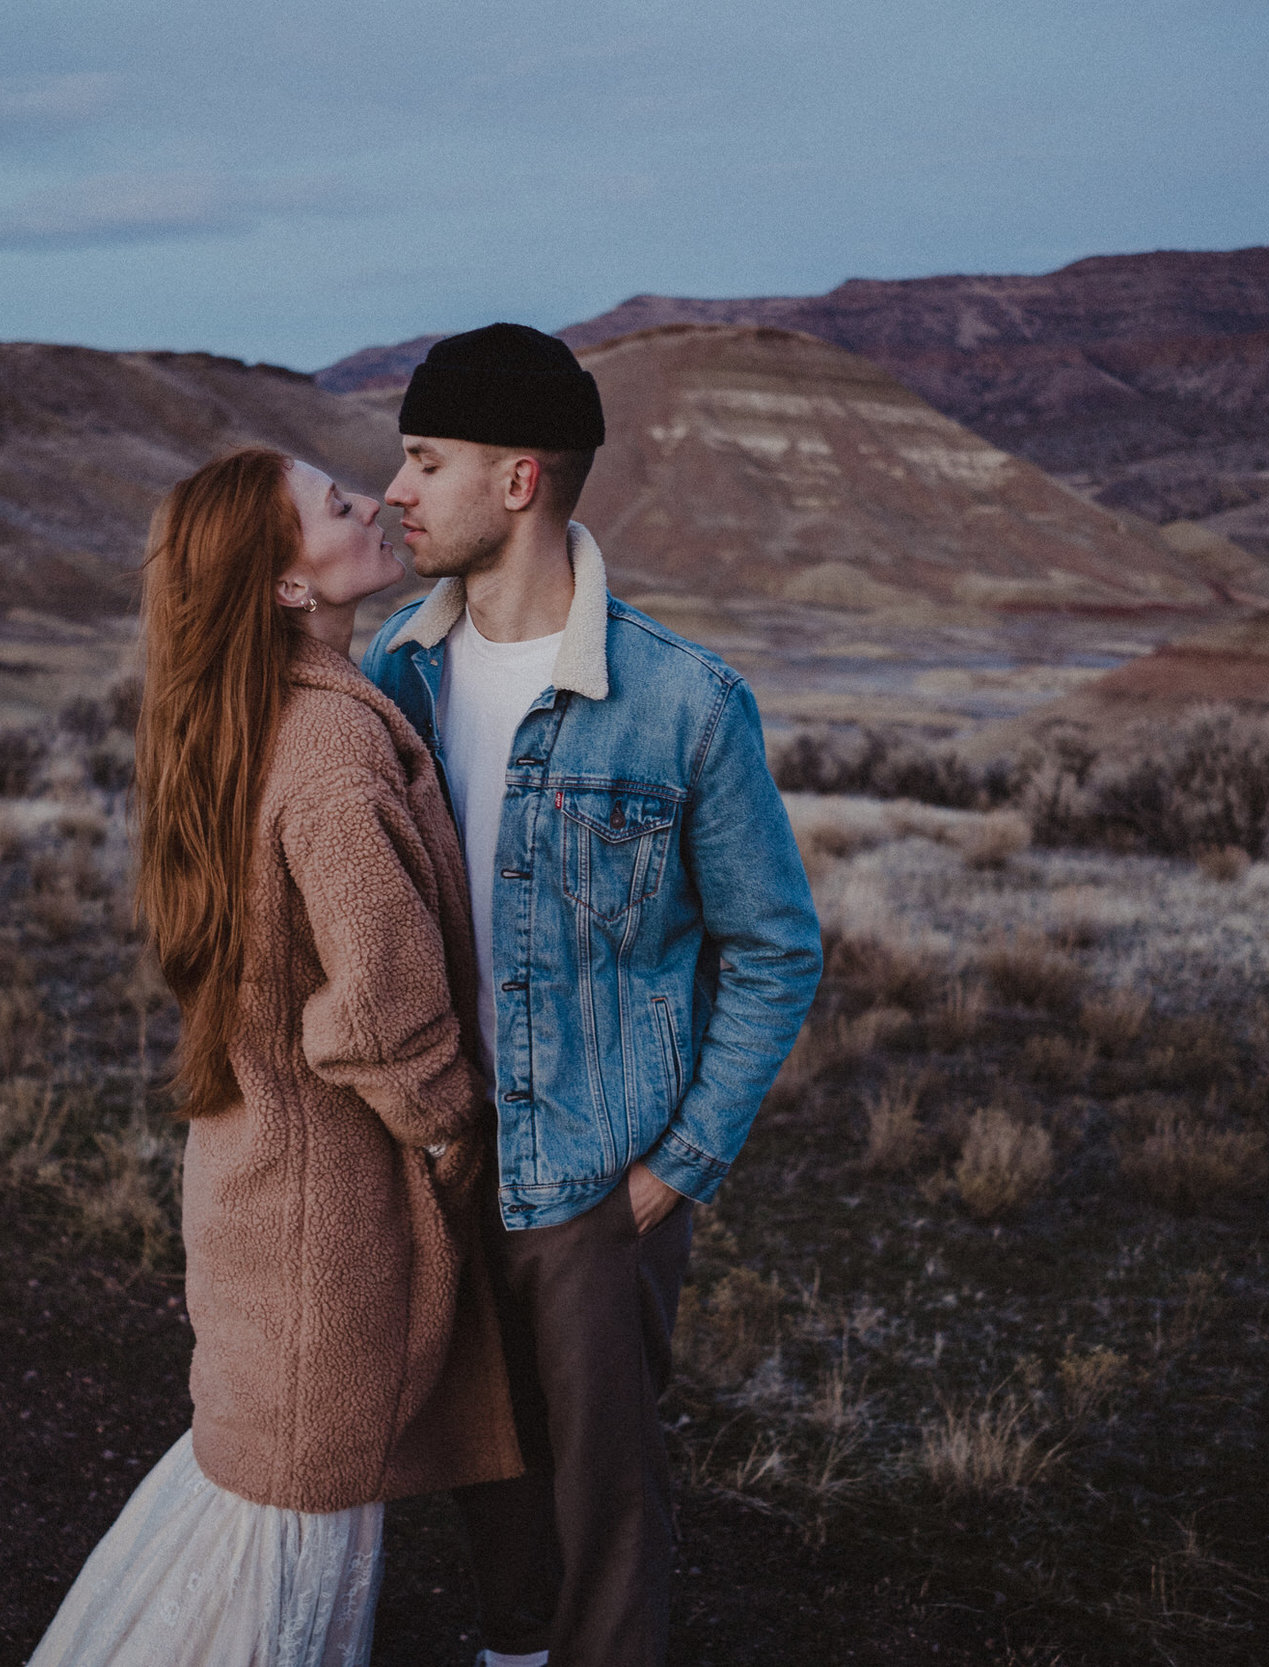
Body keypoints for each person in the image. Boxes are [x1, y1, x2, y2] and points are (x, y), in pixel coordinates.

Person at [361, 325, 824, 1667]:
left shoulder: (682, 701)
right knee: (487, 1481)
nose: (395, 490)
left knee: (604, 1500)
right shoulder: (398, 670)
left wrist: (678, 1165)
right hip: (449, 1152)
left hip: (600, 1165)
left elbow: (775, 946)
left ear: (518, 480)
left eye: (423, 460)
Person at [26, 447, 522, 1667]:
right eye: (336, 505)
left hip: (257, 1189)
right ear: (290, 588)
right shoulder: (331, 749)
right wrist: (460, 1135)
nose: (369, 500)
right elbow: (378, 1010)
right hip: (327, 1233)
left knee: (255, 1498)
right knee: (285, 1536)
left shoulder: (249, 727)